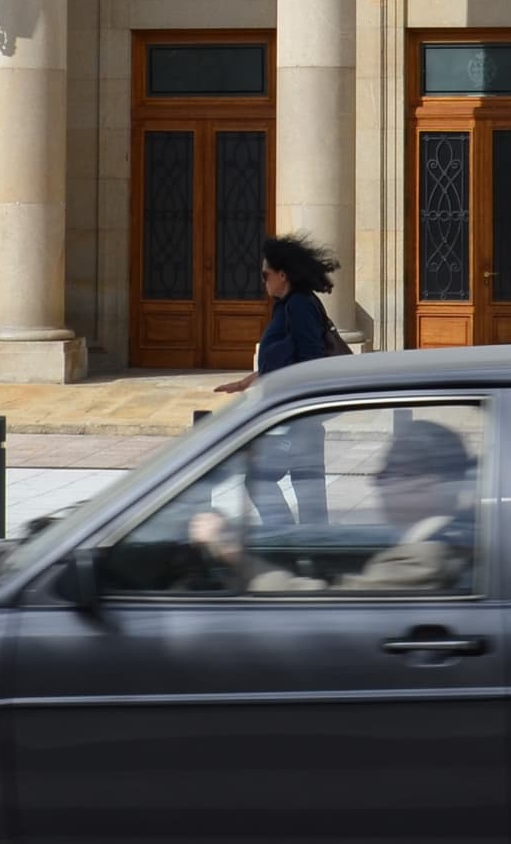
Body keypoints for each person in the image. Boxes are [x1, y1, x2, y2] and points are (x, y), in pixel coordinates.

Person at [190, 413, 476, 596]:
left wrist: (235, 554)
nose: (376, 480)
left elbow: (330, 605)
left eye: (390, 470)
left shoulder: (424, 560)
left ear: (428, 482)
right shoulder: (437, 537)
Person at [215, 235, 344, 529]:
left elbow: (309, 360)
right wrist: (248, 381)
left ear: (282, 275)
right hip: (302, 420)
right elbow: (288, 358)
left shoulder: (298, 305)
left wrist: (290, 403)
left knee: (260, 480)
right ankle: (307, 551)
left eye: (266, 275)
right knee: (310, 499)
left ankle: (285, 539)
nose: (264, 282)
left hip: (300, 421)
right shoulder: (290, 305)